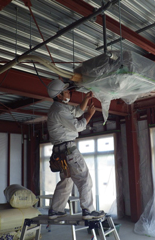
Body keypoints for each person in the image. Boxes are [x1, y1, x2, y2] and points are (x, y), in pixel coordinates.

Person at [47, 79, 105, 220]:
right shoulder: (60, 110)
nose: (69, 92)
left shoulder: (60, 108)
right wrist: (90, 114)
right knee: (84, 179)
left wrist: (86, 99)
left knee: (66, 181)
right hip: (68, 150)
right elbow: (78, 126)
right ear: (59, 95)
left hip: (60, 152)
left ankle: (56, 210)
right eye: (66, 91)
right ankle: (88, 211)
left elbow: (77, 112)